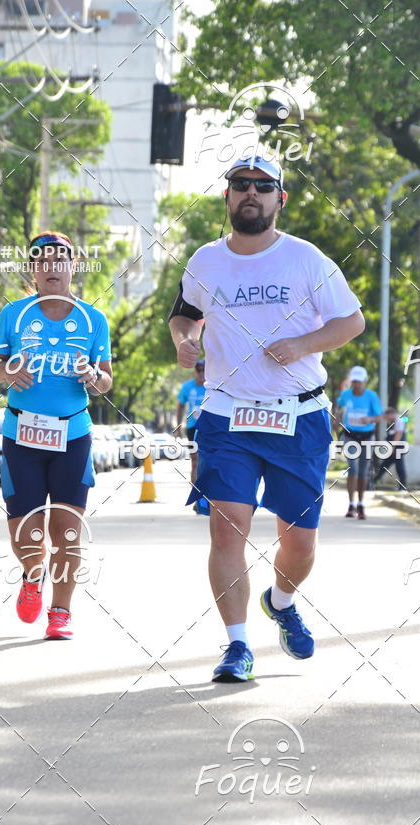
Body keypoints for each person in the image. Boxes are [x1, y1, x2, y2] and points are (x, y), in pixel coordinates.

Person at [169, 155, 364, 682]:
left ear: (281, 198)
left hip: (298, 418)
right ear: (227, 197)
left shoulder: (306, 259)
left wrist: (303, 343)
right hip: (227, 415)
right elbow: (184, 314)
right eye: (240, 185)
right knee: (228, 529)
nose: (250, 192)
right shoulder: (205, 261)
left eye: (263, 186)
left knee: (299, 541)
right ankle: (235, 647)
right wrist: (186, 342)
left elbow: (353, 320)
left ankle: (280, 600)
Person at [0, 231, 112, 640]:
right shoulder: (14, 315)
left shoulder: (94, 320)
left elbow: (107, 380)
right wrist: (6, 372)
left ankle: (61, 612)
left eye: (60, 260)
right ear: (33, 270)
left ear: (73, 267)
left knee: (66, 529)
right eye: (43, 261)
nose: (52, 267)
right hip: (21, 435)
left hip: (72, 436)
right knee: (24, 528)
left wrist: (93, 376)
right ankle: (32, 575)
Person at [335, 366, 382, 519]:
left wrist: (370, 419)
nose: (356, 385)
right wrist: (337, 419)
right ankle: (351, 504)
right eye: (354, 382)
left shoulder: (371, 396)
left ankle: (361, 503)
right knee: (353, 468)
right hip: (350, 436)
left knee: (363, 471)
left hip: (367, 436)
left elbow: (379, 416)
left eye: (359, 382)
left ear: (365, 382)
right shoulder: (346, 395)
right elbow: (338, 407)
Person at [176, 359, 206, 489]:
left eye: (204, 370)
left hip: (210, 428)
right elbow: (180, 406)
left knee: (209, 462)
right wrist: (178, 426)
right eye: (198, 370)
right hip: (192, 428)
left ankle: (209, 495)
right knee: (195, 462)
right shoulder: (187, 387)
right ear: (195, 372)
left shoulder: (213, 386)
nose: (201, 373)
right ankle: (197, 495)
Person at [374, 406, 407, 489]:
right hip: (393, 447)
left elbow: (398, 434)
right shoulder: (391, 422)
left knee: (399, 467)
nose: (385, 417)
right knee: (384, 465)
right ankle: (373, 481)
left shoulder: (398, 421)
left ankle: (402, 486)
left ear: (391, 414)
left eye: (386, 415)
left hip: (398, 448)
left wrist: (393, 446)